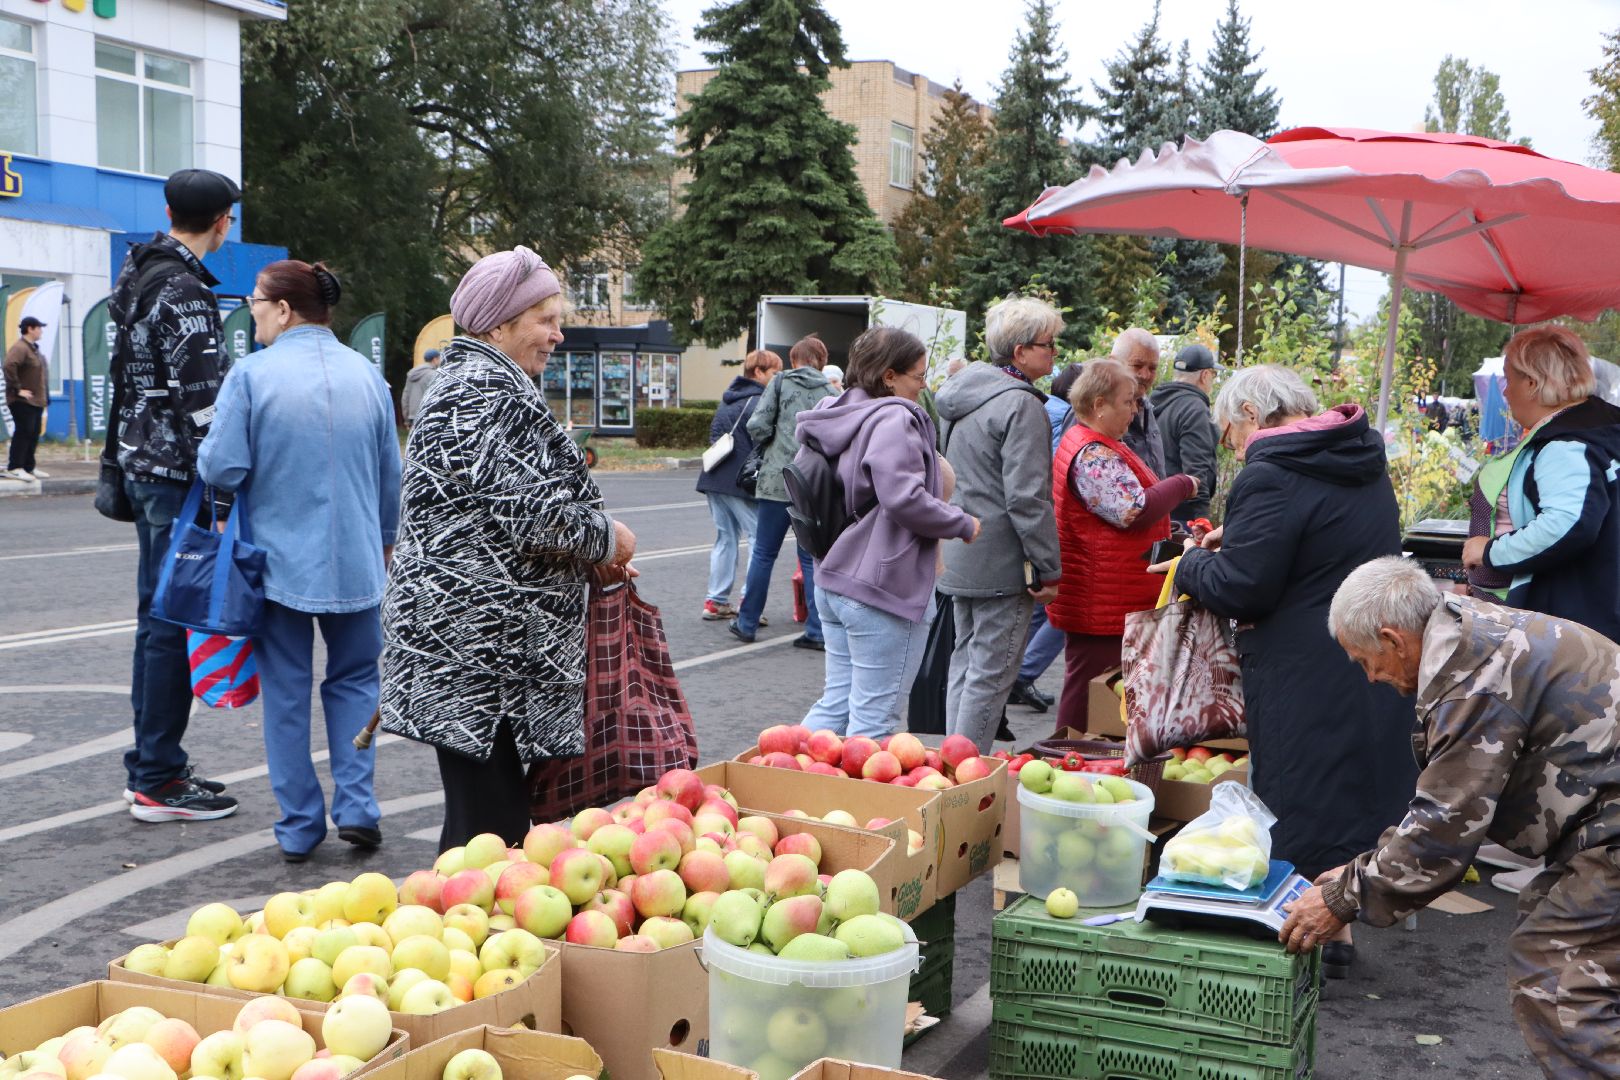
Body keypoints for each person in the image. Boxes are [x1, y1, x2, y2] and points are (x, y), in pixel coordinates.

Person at [1281, 557, 1620, 1077]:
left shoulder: (1472, 680)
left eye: (1365, 660)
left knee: (1556, 971)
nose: (1371, 677)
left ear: (1393, 640)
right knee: (1563, 937)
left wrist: (1343, 896)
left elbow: (1445, 828)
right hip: (1602, 814)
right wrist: (1363, 870)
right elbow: (1447, 798)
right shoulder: (1463, 626)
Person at [380, 246, 637, 851]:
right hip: (482, 652)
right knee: (488, 833)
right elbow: (532, 513)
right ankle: (456, 935)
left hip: (468, 644)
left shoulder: (471, 381)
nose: (558, 333)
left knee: (482, 823)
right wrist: (609, 539)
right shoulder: (491, 390)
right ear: (500, 323)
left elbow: (498, 506)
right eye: (545, 319)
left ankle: (455, 931)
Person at [1170, 365, 1414, 979]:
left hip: (1298, 663)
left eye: (1229, 433)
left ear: (1251, 414)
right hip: (1365, 653)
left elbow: (1245, 588)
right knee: (1352, 787)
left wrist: (1191, 564)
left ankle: (1308, 939)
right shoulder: (1356, 455)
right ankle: (1343, 928)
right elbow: (1317, 541)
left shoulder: (1272, 471)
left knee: (1301, 792)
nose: (1232, 447)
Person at [198, 260, 400, 861]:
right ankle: (358, 807)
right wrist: (383, 543)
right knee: (357, 682)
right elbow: (392, 479)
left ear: (283, 309)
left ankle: (299, 825)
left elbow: (220, 467)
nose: (250, 311)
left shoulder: (253, 375)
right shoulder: (368, 376)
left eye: (255, 301)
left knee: (286, 692)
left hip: (278, 567)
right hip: (360, 562)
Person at [109, 168, 241, 823]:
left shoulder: (136, 272)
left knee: (154, 622)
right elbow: (203, 406)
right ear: (223, 221)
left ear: (168, 210)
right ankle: (156, 779)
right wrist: (225, 489)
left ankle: (154, 766)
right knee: (169, 624)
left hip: (138, 465)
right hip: (173, 476)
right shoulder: (186, 289)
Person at [796, 328, 978, 737]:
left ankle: (785, 779)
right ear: (890, 376)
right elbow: (903, 498)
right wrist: (960, 522)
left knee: (836, 703)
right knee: (874, 721)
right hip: (883, 586)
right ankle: (857, 802)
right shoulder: (893, 417)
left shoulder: (836, 410)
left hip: (834, 576)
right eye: (917, 375)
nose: (923, 384)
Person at [935, 297, 1063, 751]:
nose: (1054, 353)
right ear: (1020, 351)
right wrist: (1049, 567)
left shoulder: (961, 391)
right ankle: (964, 779)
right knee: (990, 675)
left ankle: (950, 766)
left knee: (966, 662)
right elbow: (1027, 498)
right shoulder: (1020, 404)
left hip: (959, 548)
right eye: (1048, 345)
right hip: (1000, 560)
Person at [1048, 359, 1195, 730]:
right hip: (1100, 597)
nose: (1135, 410)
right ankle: (1066, 755)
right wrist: (1182, 484)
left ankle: (1077, 755)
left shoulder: (1101, 444)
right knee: (1088, 688)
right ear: (1099, 404)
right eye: (1128, 402)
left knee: (1095, 685)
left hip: (1108, 594)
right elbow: (1132, 510)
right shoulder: (1092, 453)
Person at [1462, 325, 1620, 645]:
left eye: (1509, 379)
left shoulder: (1566, 445)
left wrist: (1489, 551)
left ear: (1532, 383)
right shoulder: (1606, 427)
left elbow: (1567, 523)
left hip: (1581, 628)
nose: (1505, 392)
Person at [732, 334, 835, 648]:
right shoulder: (831, 391)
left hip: (778, 480)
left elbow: (757, 425)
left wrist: (775, 440)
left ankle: (747, 623)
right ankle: (816, 632)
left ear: (793, 360)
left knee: (763, 554)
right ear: (822, 361)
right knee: (809, 559)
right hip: (812, 485)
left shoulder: (779, 383)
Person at [1008, 362, 1086, 714]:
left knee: (1042, 606)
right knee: (1063, 602)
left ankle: (1019, 672)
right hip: (1049, 518)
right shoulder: (1067, 419)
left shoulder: (1040, 409)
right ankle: (1023, 672)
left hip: (1040, 517)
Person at [697, 349, 779, 620]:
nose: (777, 378)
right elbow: (764, 443)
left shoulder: (729, 399)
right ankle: (749, 604)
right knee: (759, 540)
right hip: (740, 482)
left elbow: (714, 436)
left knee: (725, 539)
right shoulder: (759, 402)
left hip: (713, 478)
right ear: (758, 372)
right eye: (774, 373)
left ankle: (715, 600)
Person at [1148, 342, 1221, 523]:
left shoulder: (1154, 402)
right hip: (1184, 518)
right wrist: (1201, 518)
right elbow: (1197, 468)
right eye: (1213, 374)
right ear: (1205, 375)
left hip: (1158, 508)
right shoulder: (1194, 409)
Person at [1112, 327, 1165, 477]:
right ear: (1114, 362)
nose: (1145, 374)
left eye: (1152, 368)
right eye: (1137, 365)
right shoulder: (1096, 410)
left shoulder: (1146, 408)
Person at [4, 316, 47, 481]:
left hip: (36, 400)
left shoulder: (33, 348)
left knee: (34, 432)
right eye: (39, 327)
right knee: (24, 432)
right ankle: (15, 467)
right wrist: (18, 389)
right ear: (30, 328)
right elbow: (9, 365)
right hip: (22, 401)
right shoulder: (20, 347)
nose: (41, 331)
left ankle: (29, 467)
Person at [401, 348, 441, 425]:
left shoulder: (411, 374)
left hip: (413, 416)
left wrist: (406, 419)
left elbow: (405, 397)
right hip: (428, 415)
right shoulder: (434, 374)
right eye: (439, 358)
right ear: (435, 359)